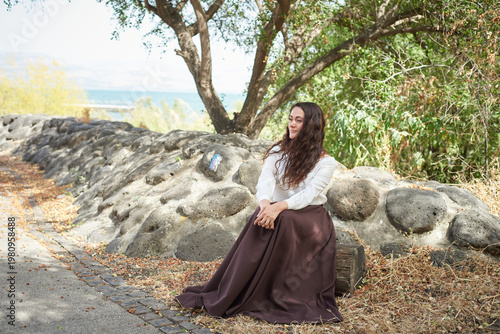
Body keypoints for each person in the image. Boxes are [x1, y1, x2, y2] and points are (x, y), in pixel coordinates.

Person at [175, 102, 343, 324]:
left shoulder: (325, 162)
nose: (291, 124)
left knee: (282, 218)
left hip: (310, 215)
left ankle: (271, 291)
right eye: (291, 118)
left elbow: (310, 195)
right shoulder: (277, 151)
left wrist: (278, 207)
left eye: (298, 120)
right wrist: (265, 205)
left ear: (311, 125)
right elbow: (265, 180)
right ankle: (238, 288)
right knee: (260, 215)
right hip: (278, 210)